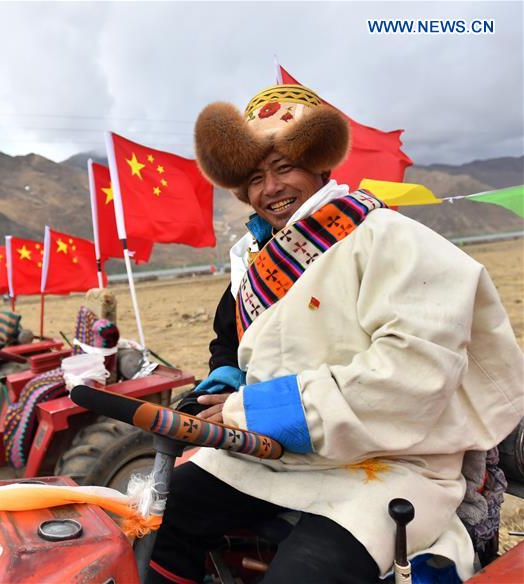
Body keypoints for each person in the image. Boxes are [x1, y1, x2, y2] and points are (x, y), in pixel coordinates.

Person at [147, 84, 524, 583]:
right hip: (278, 456)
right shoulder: (258, 262)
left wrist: (258, 410)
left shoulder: (390, 238)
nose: (271, 189)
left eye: (284, 169)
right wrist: (229, 382)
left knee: (305, 575)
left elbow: (411, 374)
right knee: (151, 525)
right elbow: (250, 351)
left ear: (319, 167)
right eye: (256, 178)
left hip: (393, 465)